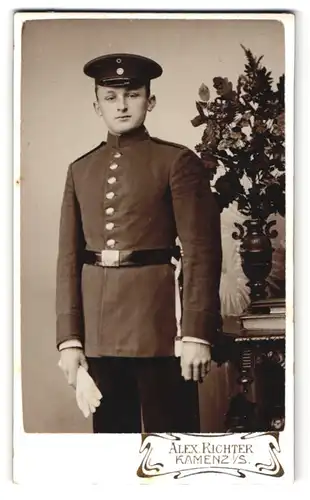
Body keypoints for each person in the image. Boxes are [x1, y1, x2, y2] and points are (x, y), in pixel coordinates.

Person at [56, 53, 222, 433]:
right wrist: (69, 339)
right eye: (111, 97)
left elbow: (201, 252)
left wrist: (197, 332)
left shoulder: (176, 161)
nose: (122, 105)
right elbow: (68, 259)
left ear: (150, 101)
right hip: (100, 334)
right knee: (113, 451)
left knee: (174, 447)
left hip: (162, 329)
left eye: (132, 95)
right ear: (96, 105)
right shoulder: (81, 170)